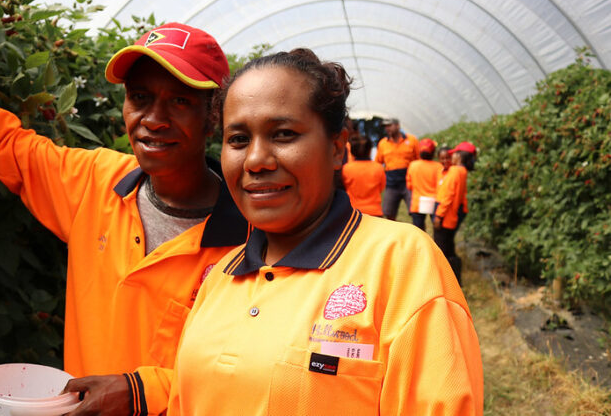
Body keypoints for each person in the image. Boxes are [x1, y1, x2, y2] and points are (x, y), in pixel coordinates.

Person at [0, 0, 247, 415]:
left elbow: (251, 365)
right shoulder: (95, 181)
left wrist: (143, 392)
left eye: (179, 101)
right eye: (140, 98)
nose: (153, 120)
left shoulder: (250, 236)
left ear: (213, 114)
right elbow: (8, 145)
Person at [155, 49, 483, 414]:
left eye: (283, 134)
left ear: (337, 148)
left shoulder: (402, 264)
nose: (255, 160)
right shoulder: (219, 277)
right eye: (238, 139)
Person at [434, 141, 476, 284]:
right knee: (448, 245)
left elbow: (448, 195)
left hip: (447, 215)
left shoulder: (455, 171)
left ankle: (448, 280)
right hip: (454, 214)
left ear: (459, 156)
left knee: (442, 248)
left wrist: (439, 215)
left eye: (454, 154)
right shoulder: (462, 171)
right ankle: (455, 279)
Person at [374, 117, 419, 220]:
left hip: (409, 182)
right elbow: (378, 163)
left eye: (389, 125)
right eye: (385, 126)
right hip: (391, 183)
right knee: (389, 213)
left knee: (415, 213)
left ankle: (419, 233)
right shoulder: (383, 144)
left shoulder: (412, 140)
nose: (387, 128)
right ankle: (392, 234)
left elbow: (418, 160)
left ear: (397, 125)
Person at [341, 134, 386, 217]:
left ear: (352, 151)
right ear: (369, 150)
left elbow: (344, 187)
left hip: (353, 212)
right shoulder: (378, 168)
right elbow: (381, 188)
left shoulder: (346, 169)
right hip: (375, 212)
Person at [406, 138, 442, 231]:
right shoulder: (438, 166)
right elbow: (441, 185)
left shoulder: (413, 165)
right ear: (433, 152)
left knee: (419, 230)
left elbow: (409, 185)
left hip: (418, 203)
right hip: (434, 202)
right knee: (437, 230)